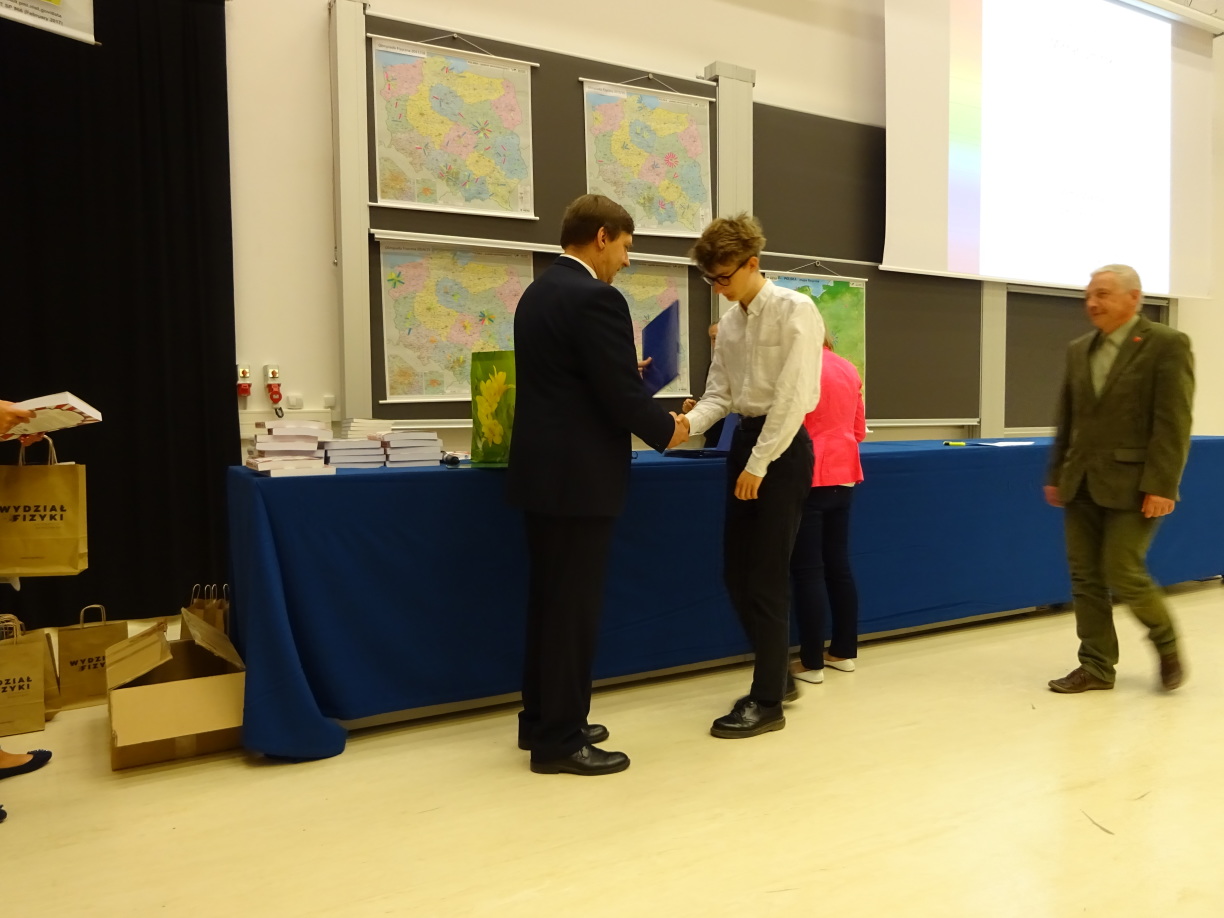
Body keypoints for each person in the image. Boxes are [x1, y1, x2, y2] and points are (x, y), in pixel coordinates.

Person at [506, 194, 689, 776]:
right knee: (573, 613)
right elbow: (619, 398)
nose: (627, 261)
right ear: (603, 236)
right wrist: (671, 429)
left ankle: (542, 720)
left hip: (543, 476)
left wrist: (619, 372)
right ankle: (560, 742)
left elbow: (572, 377)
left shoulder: (539, 292)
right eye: (627, 247)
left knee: (548, 605)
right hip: (579, 481)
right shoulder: (597, 298)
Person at [682, 214, 823, 738]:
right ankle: (776, 672)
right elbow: (719, 393)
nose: (718, 288)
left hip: (781, 449)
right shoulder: (732, 323)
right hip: (744, 441)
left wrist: (758, 465)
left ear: (752, 264)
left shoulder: (795, 309)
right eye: (711, 279)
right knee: (735, 572)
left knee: (766, 575)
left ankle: (767, 702)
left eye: (724, 277)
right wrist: (685, 426)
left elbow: (792, 397)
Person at [1044, 265, 1194, 694]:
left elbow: (1173, 421)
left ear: (1134, 298)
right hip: (1081, 481)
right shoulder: (1079, 349)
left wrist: (1163, 485)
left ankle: (1166, 644)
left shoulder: (1166, 344)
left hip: (1136, 484)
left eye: (1103, 294)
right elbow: (1067, 419)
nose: (1092, 303)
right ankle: (1095, 666)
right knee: (1085, 577)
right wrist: (1057, 473)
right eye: (1089, 295)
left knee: (1122, 569)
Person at [789, 332, 866, 684]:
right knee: (838, 565)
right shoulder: (849, 369)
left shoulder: (799, 367)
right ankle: (843, 651)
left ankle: (811, 662)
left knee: (808, 570)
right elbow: (858, 430)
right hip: (845, 472)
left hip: (808, 474)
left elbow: (789, 426)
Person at [681, 323, 725, 447]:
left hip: (736, 437)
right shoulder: (713, 367)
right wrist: (696, 410)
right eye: (713, 338)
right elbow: (715, 400)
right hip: (713, 436)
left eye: (720, 337)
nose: (716, 343)